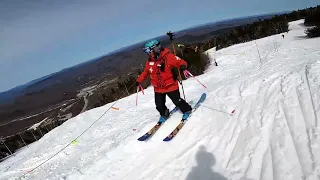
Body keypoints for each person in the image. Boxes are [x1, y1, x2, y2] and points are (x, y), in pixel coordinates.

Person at [136, 39, 193, 122]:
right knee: (159, 105)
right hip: (158, 88)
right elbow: (145, 72)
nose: (148, 53)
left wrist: (183, 66)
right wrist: (139, 80)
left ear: (155, 49)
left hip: (170, 86)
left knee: (177, 101)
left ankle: (187, 109)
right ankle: (164, 113)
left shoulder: (168, 57)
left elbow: (180, 61)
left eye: (148, 50)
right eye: (146, 51)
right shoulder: (150, 61)